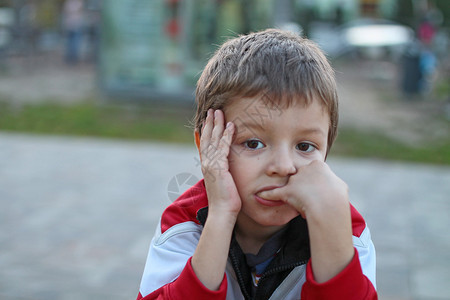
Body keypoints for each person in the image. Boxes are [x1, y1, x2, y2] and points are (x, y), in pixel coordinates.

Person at [137, 29, 377, 299]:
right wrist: (220, 216)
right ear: (207, 146)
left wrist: (332, 237)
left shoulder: (347, 232)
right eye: (253, 143)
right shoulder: (185, 225)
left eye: (305, 146)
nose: (284, 166)